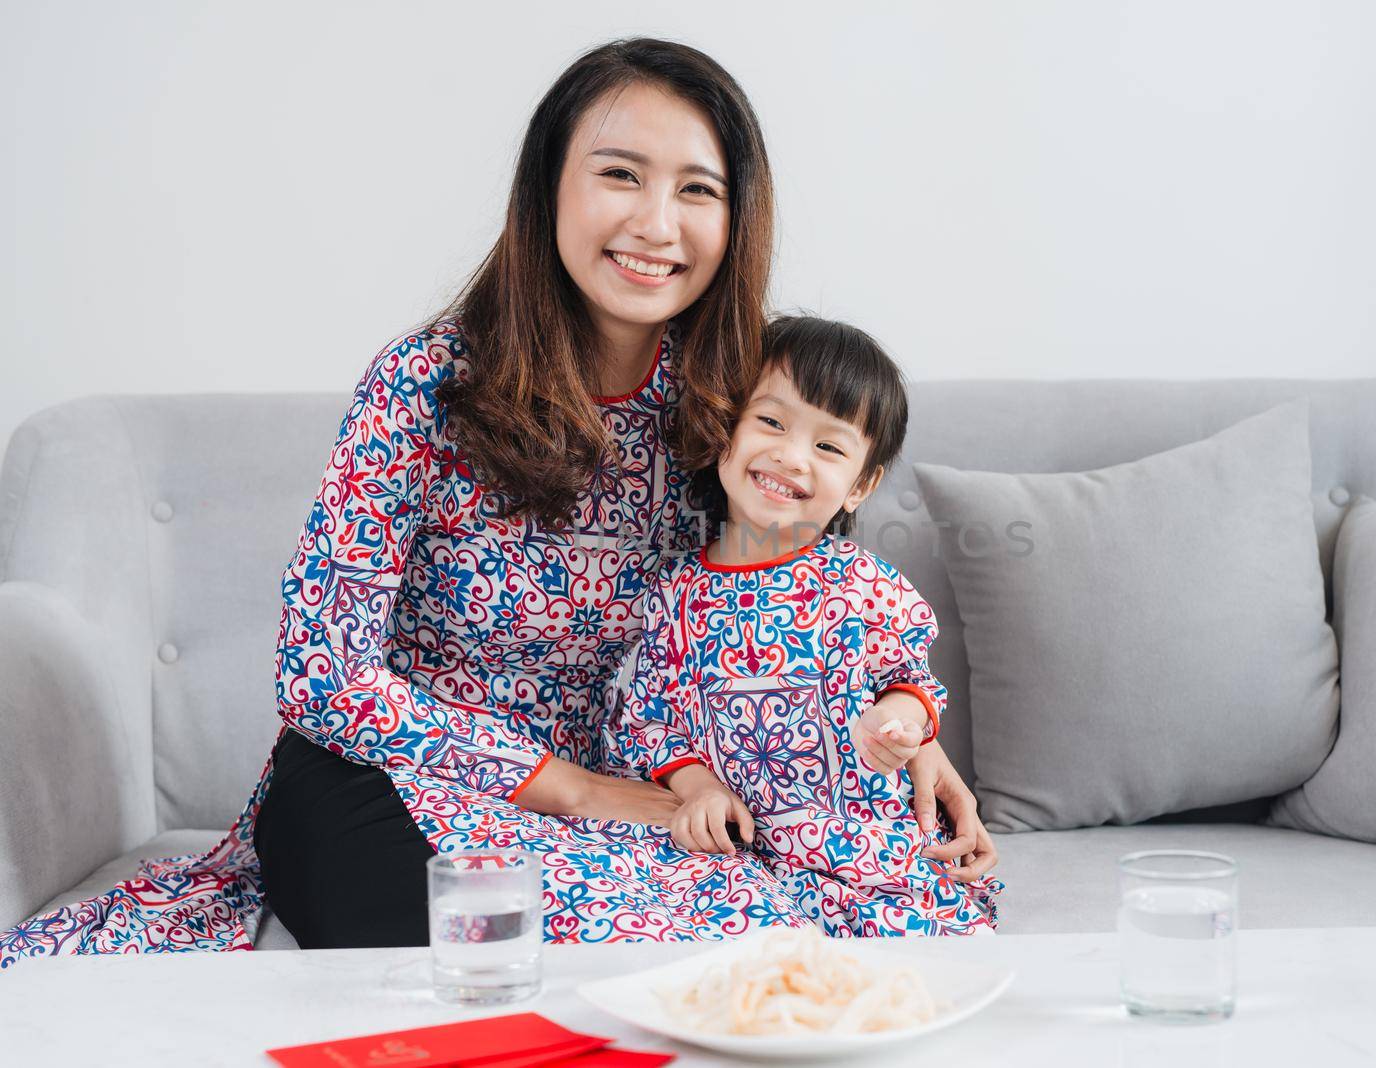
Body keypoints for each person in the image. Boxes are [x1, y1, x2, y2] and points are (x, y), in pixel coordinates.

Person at [0, 38, 994, 965]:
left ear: (735, 220)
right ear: (547, 188)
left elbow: (807, 597)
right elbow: (322, 672)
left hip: (658, 794)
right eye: (619, 174)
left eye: (696, 190)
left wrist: (908, 743)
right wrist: (578, 792)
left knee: (760, 903)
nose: (656, 223)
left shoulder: (746, 403)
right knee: (420, 908)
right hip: (403, 781)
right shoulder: (424, 386)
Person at [606, 316, 1001, 936]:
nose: (790, 456)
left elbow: (908, 678)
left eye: (829, 446)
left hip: (854, 841)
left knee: (905, 938)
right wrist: (698, 789)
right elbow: (652, 721)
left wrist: (898, 721)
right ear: (726, 430)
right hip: (735, 847)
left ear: (860, 485)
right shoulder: (674, 594)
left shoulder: (859, 581)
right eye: (771, 422)